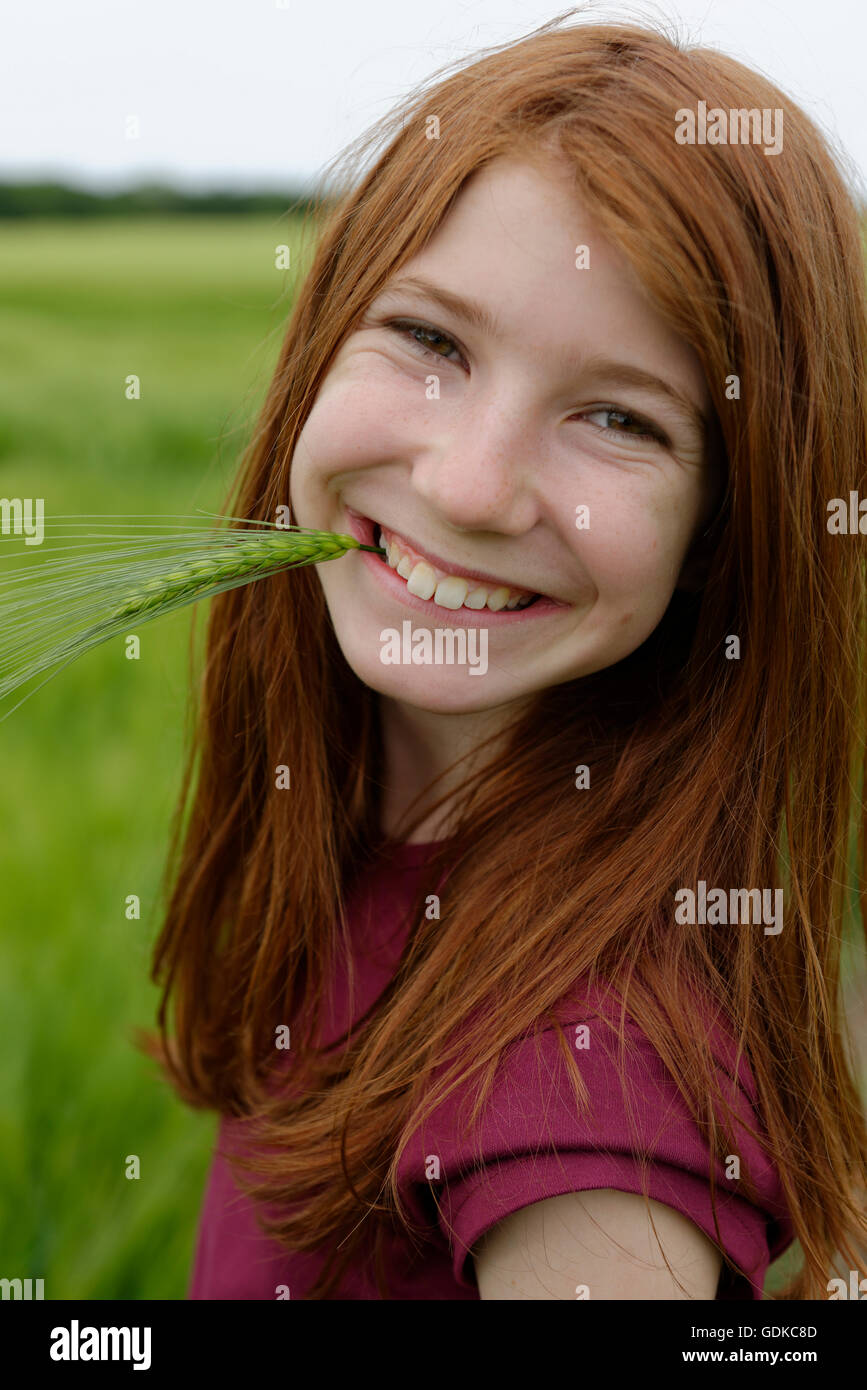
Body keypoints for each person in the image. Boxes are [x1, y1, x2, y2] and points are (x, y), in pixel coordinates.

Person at [140, 14, 867, 1299]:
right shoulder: (373, 824)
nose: (471, 487)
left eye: (616, 416)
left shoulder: (589, 1107)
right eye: (429, 341)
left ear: (721, 536)